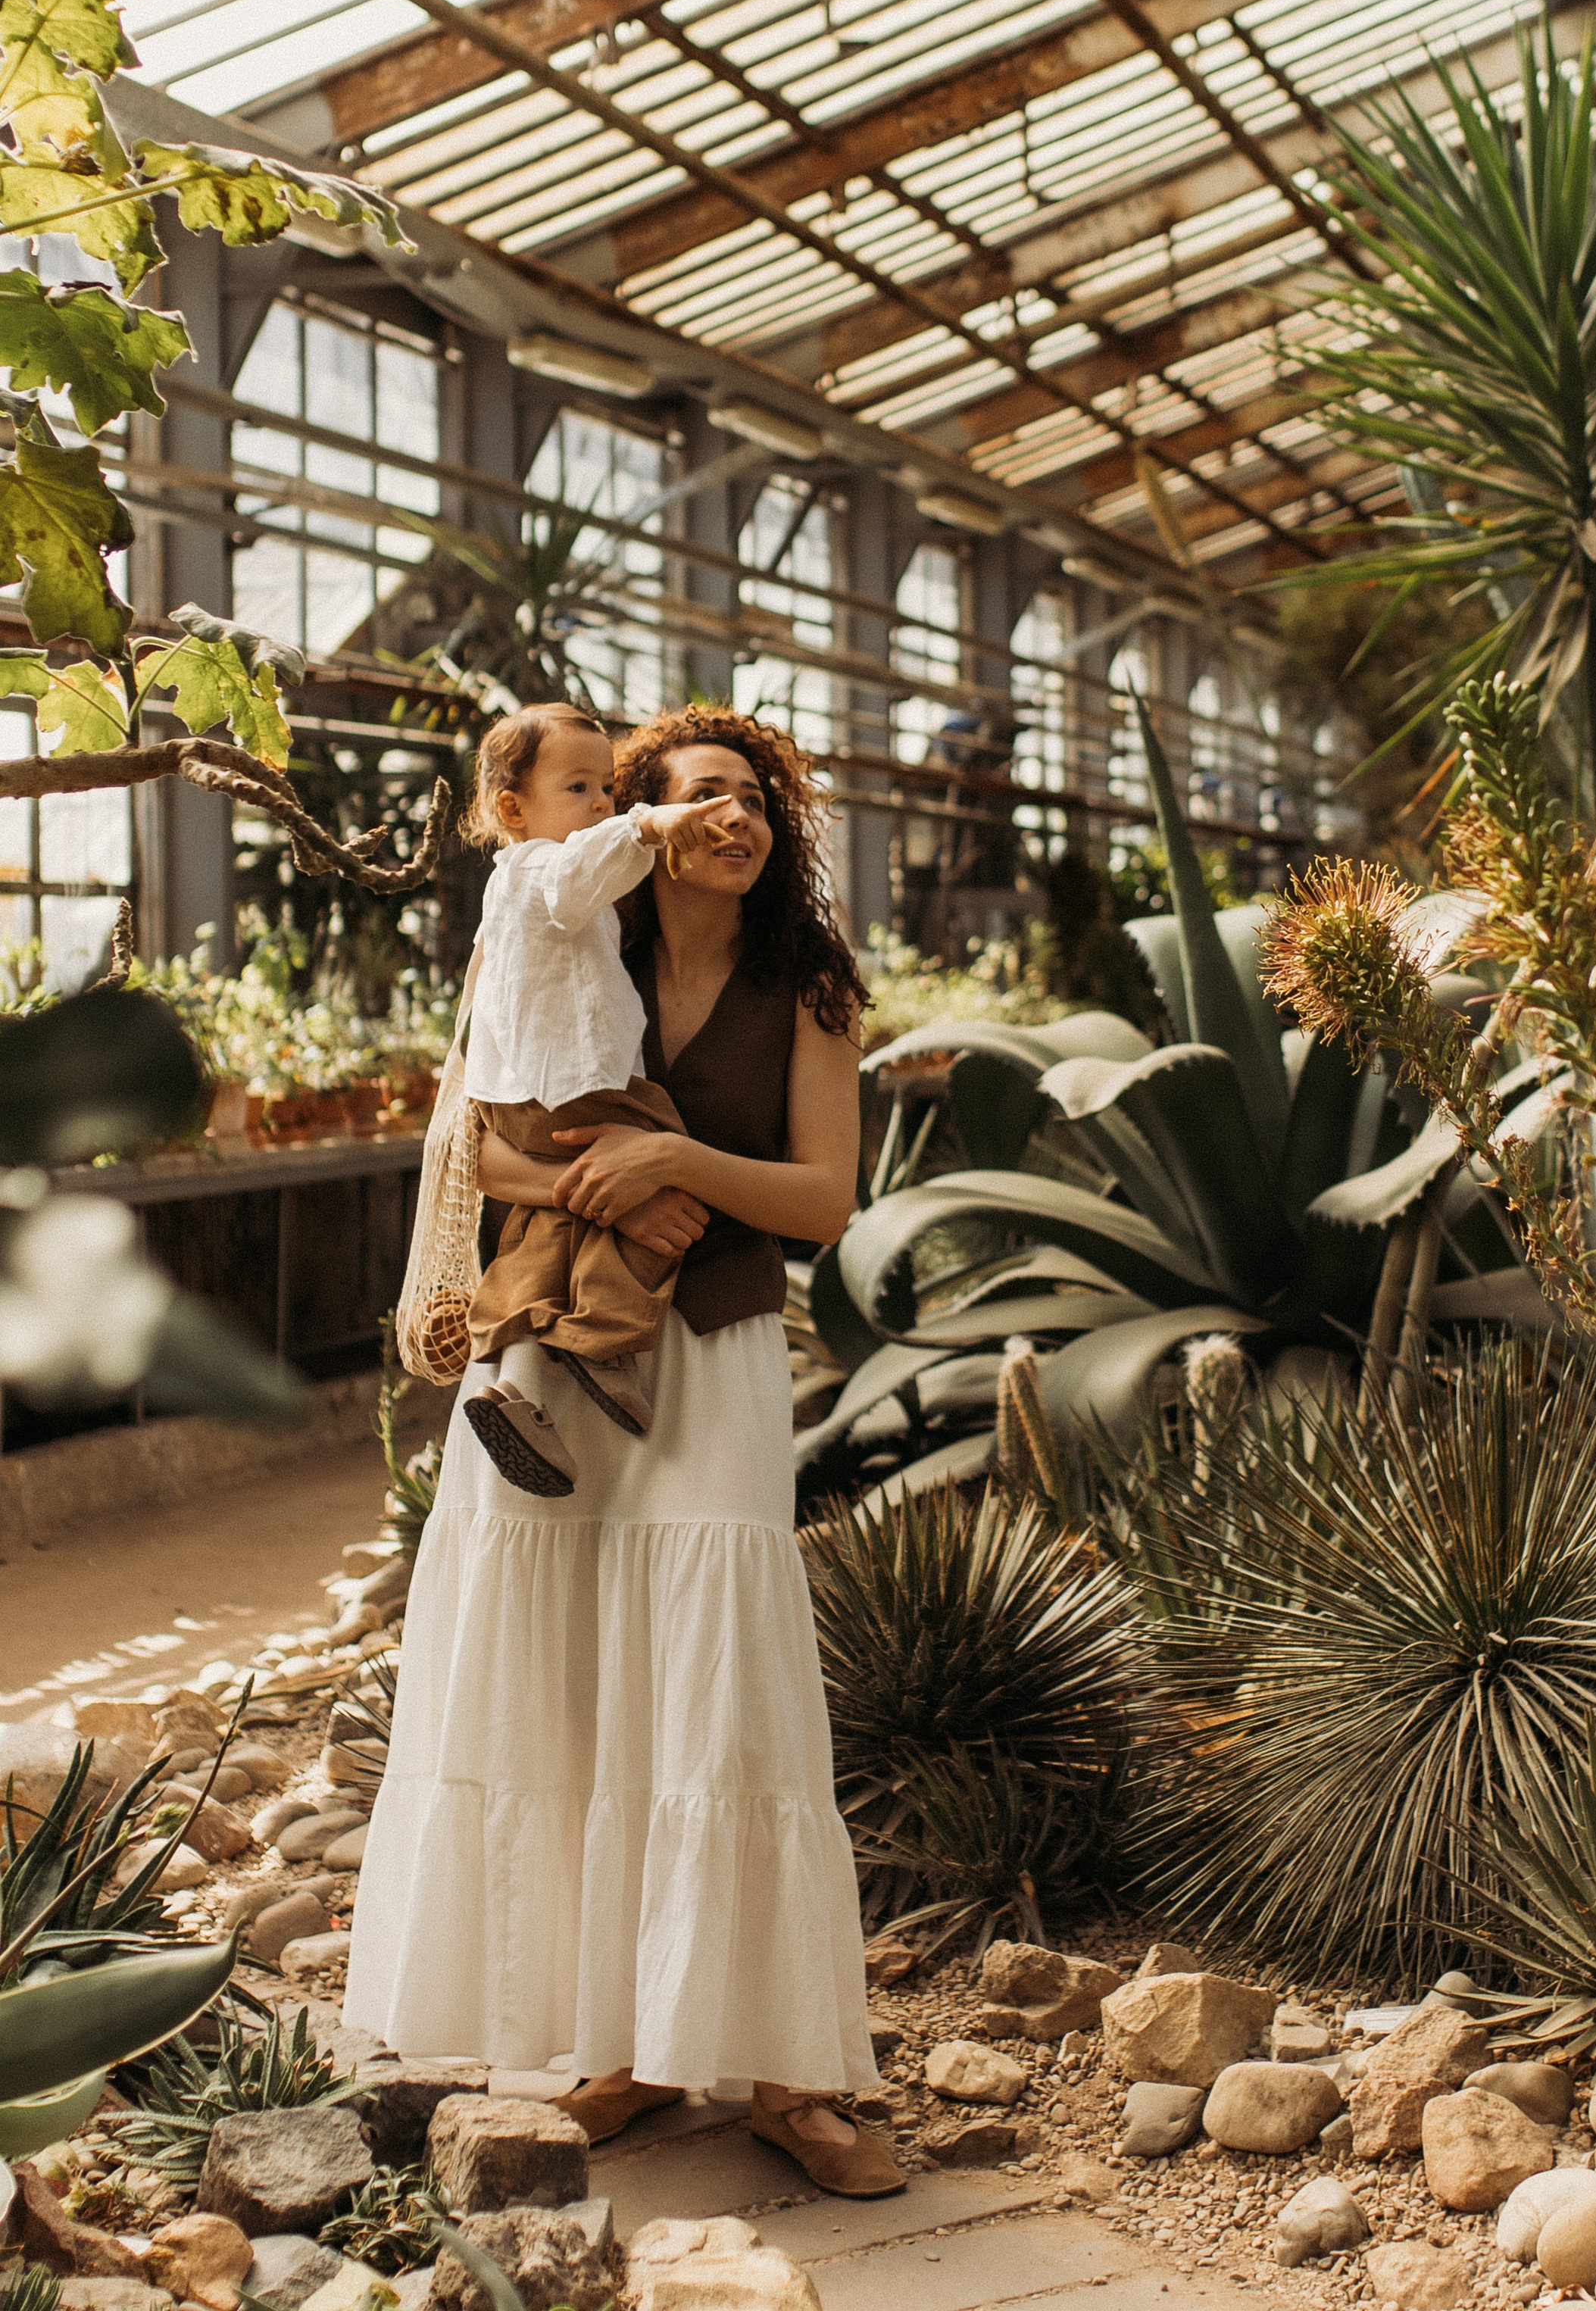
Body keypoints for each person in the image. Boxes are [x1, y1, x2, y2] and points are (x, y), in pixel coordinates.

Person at [343, 704, 899, 2200]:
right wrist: (605, 1188)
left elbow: (821, 1200)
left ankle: (790, 2077)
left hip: (713, 1358)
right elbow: (470, 1145)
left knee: (729, 1697)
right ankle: (630, 2047)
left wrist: (675, 1162)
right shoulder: (559, 933)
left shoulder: (812, 986)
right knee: (579, 1690)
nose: (734, 816)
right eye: (701, 792)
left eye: (756, 798)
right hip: (554, 1366)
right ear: (634, 817)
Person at [455, 701, 732, 1495]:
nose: (602, 803)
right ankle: (603, 1339)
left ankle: (517, 1385)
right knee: (664, 1155)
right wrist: (650, 825)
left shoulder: (514, 888)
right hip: (568, 1084)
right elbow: (584, 872)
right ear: (512, 810)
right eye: (578, 787)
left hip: (521, 1093)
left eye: (608, 788)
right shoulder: (539, 870)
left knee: (551, 1225)